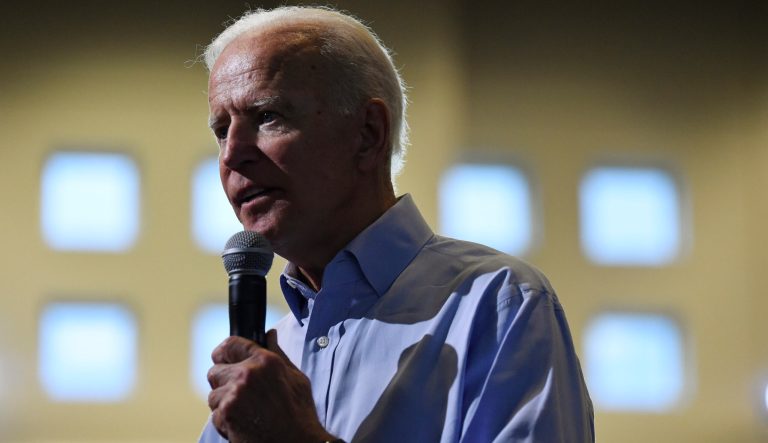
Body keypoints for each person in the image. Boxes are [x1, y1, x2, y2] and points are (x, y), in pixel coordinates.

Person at [199, 6, 594, 443]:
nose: (232, 155)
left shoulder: (497, 305)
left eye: (268, 116)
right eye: (221, 130)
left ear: (368, 134)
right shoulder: (262, 375)